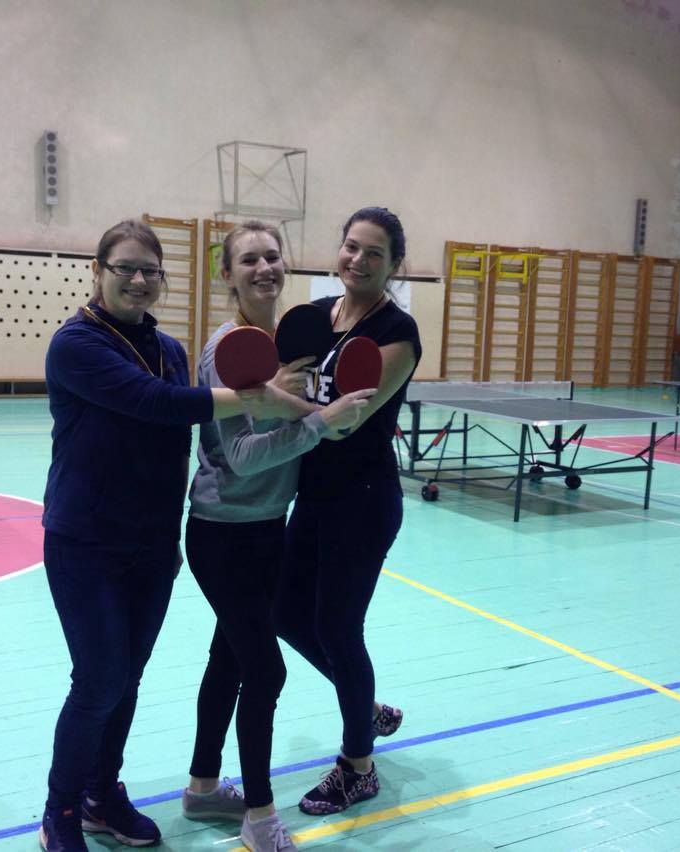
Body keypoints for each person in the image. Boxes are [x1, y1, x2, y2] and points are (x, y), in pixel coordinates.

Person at [39, 219, 315, 852]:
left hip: (150, 544)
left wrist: (168, 542)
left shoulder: (167, 349)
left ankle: (101, 793)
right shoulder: (75, 344)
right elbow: (155, 405)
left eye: (150, 270)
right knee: (99, 679)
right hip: (85, 542)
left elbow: (174, 448)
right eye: (125, 268)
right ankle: (60, 810)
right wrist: (264, 399)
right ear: (98, 271)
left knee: (126, 678)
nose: (138, 280)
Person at [179, 221, 372, 851]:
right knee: (266, 672)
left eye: (272, 256)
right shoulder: (228, 349)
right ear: (227, 274)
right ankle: (260, 817)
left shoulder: (289, 348)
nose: (264, 268)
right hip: (221, 535)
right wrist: (317, 425)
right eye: (249, 260)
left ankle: (202, 789)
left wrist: (325, 419)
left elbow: (309, 423)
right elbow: (239, 457)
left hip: (269, 530)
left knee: (229, 661)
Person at [273, 207, 421, 815]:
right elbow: (297, 394)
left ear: (394, 265)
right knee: (284, 612)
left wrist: (278, 398)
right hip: (312, 495)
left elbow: (344, 423)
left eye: (374, 253)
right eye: (351, 247)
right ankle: (367, 709)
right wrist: (283, 393)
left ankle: (358, 767)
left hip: (363, 501)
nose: (358, 260)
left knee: (338, 628)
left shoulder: (397, 333)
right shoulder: (315, 317)